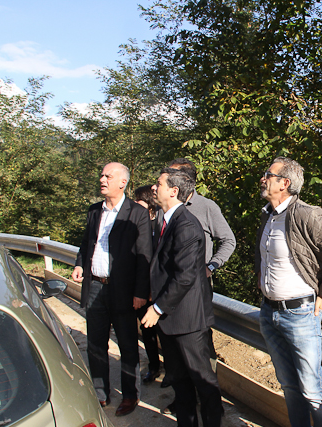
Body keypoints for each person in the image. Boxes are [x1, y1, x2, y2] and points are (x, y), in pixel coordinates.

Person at [256, 157, 322, 427]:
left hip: (300, 314)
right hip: (269, 312)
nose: (263, 179)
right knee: (289, 386)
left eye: (268, 174)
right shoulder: (267, 214)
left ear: (285, 183)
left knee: (311, 391)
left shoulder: (307, 214)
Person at [141, 167, 223, 427]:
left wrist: (157, 308)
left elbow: (185, 276)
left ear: (173, 191)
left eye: (159, 183)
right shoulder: (166, 221)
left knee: (203, 382)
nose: (154, 187)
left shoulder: (186, 224)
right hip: (171, 319)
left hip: (187, 320)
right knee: (180, 381)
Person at [72, 162, 152, 416]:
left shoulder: (136, 213)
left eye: (108, 176)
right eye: (102, 175)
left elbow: (144, 255)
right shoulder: (94, 210)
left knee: (127, 345)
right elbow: (86, 243)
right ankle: (100, 393)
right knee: (95, 344)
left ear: (122, 183)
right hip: (95, 286)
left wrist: (140, 292)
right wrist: (79, 264)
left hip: (124, 290)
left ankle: (130, 395)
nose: (102, 179)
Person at [168, 158, 236, 279]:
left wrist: (211, 266)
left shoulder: (206, 206)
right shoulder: (161, 207)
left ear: (184, 180)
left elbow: (229, 241)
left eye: (170, 177)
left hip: (196, 282)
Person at [133, 185, 163, 384]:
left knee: (164, 333)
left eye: (139, 202)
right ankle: (154, 366)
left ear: (150, 208)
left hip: (157, 290)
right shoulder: (134, 225)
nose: (135, 206)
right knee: (147, 331)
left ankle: (171, 370)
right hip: (140, 289)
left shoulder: (159, 226)